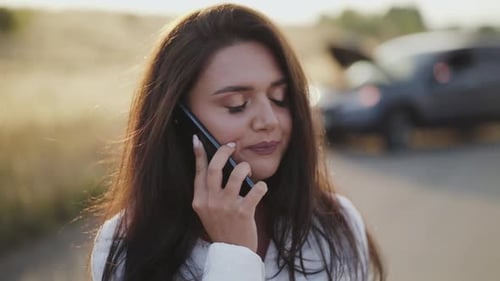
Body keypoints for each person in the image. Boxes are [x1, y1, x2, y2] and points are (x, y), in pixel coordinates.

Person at [91, 3, 384, 281]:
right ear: (178, 118)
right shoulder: (124, 244)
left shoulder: (335, 223)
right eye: (237, 104)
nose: (268, 120)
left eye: (279, 98)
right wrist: (234, 256)